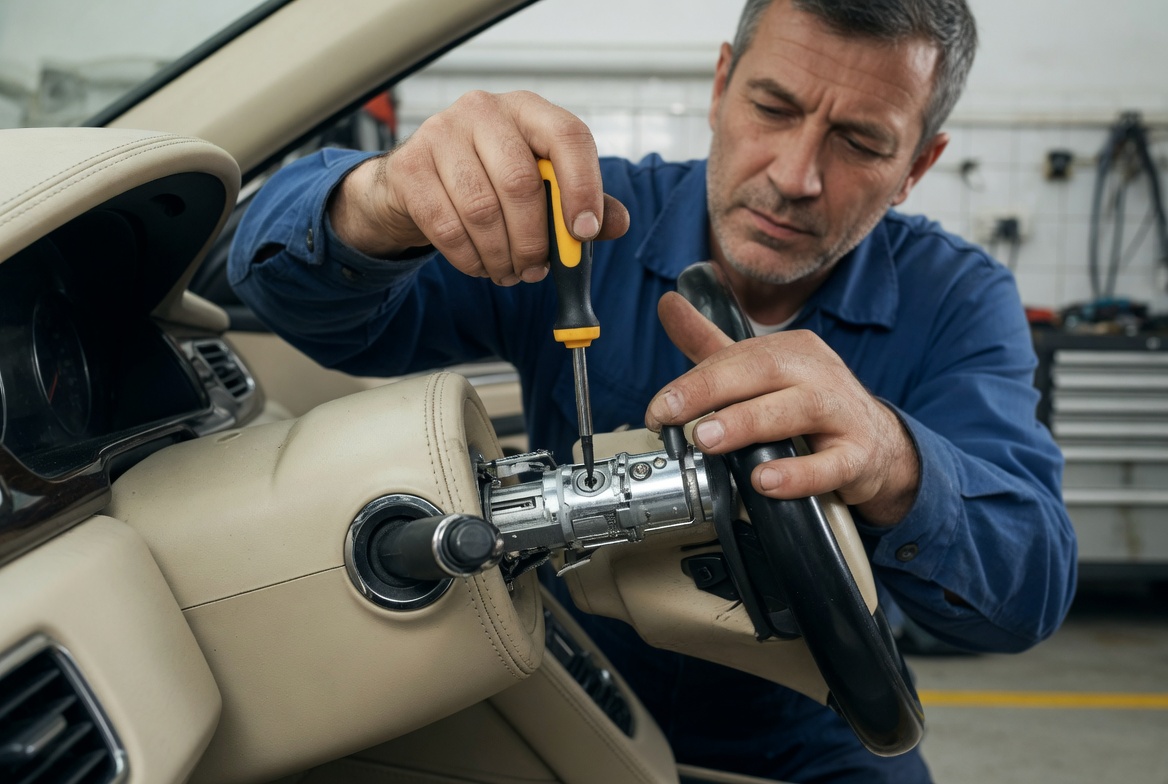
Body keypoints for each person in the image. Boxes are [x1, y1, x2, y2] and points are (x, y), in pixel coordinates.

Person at [228, 0, 1078, 780]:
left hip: (811, 727)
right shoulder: (586, 219)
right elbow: (306, 304)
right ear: (720, 85)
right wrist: (377, 203)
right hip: (564, 684)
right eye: (773, 108)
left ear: (919, 164)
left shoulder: (959, 301)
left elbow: (1029, 585)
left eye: (860, 142)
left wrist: (892, 459)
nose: (795, 175)